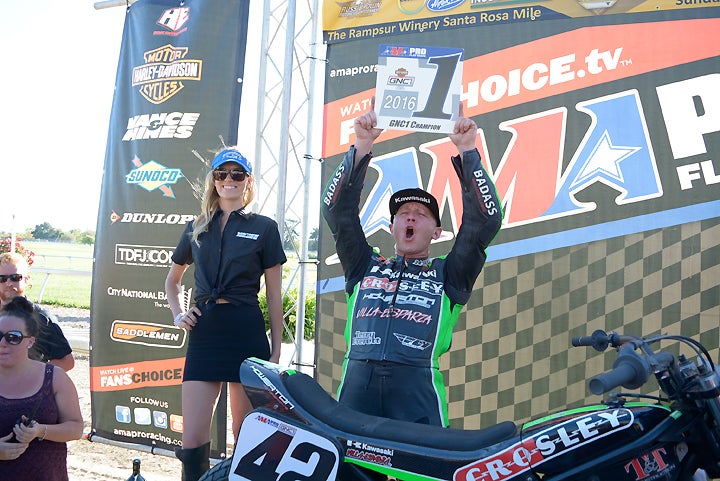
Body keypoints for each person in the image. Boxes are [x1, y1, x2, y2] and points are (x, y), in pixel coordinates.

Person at [322, 100, 503, 428]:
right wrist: (362, 145)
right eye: (403, 213)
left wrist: (467, 152)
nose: (410, 216)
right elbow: (336, 210)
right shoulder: (364, 265)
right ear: (392, 227)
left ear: (435, 232)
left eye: (420, 214)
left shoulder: (449, 273)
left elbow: (485, 220)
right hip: (357, 386)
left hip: (417, 390)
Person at [165, 147, 287, 481]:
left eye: (237, 174)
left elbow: (274, 294)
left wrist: (275, 350)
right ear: (213, 181)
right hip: (205, 334)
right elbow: (171, 282)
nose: (228, 180)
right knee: (192, 443)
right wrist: (178, 315)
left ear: (248, 181)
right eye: (222, 174)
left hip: (245, 331)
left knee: (245, 438)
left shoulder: (264, 227)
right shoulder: (196, 227)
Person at [0, 296, 84, 480]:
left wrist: (40, 431)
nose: (2, 344)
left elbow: (76, 428)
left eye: (13, 338)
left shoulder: (54, 377)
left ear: (30, 341)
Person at [0, 253, 74, 372]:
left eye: (15, 277)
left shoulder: (41, 318)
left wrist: (34, 377)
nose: (8, 283)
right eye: (2, 279)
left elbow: (66, 361)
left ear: (26, 279)